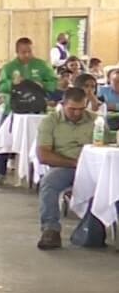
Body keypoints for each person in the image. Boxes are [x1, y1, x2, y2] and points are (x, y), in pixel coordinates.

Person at [35, 88, 100, 250]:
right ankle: (51, 230)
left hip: (95, 168)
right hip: (66, 167)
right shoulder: (50, 121)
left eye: (81, 109)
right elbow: (43, 155)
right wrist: (75, 163)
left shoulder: (96, 120)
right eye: (72, 109)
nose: (77, 113)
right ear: (62, 105)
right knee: (48, 182)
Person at [0, 37, 59, 105]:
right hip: (14, 106)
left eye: (29, 51)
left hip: (38, 105)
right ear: (17, 52)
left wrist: (42, 85)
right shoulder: (8, 68)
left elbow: (55, 83)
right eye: (23, 52)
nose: (27, 55)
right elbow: (0, 87)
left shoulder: (43, 65)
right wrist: (12, 83)